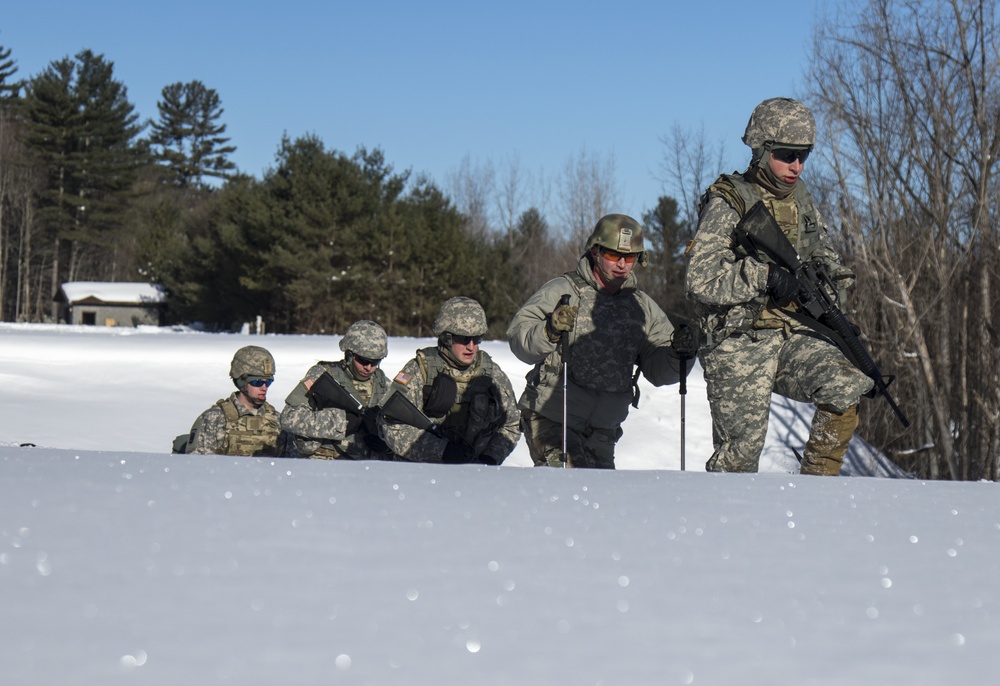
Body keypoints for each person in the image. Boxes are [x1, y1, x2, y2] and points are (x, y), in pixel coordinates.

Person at [685, 97, 874, 476]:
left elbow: (826, 257)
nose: (796, 166)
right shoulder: (729, 202)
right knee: (739, 459)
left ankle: (815, 493)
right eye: (787, 154)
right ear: (762, 149)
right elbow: (699, 279)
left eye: (804, 155)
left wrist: (828, 288)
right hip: (739, 339)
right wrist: (764, 277)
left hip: (791, 332)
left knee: (847, 384)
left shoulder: (801, 201)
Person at [507, 214, 694, 469]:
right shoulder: (562, 291)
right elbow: (520, 339)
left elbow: (659, 371)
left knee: (599, 502)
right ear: (595, 251)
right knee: (569, 488)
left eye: (630, 258)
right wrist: (549, 330)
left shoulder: (641, 308)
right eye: (613, 255)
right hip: (553, 419)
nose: (622, 264)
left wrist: (679, 354)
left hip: (602, 431)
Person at [380, 296, 521, 465]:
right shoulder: (421, 370)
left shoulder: (491, 374)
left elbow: (511, 425)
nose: (471, 346)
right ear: (447, 338)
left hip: (475, 472)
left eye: (477, 339)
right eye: (464, 339)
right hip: (423, 472)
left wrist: (490, 458)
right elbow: (391, 423)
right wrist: (441, 450)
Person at [280, 320, 393, 460]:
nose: (369, 368)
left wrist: (386, 443)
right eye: (363, 361)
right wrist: (340, 422)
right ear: (349, 355)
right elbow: (288, 417)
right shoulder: (322, 376)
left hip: (367, 469)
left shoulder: (384, 385)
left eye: (376, 362)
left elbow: (402, 428)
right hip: (326, 463)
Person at [183, 345, 284, 456]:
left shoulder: (277, 420)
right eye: (257, 382)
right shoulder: (214, 419)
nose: (264, 387)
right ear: (242, 381)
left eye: (268, 382)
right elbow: (198, 465)